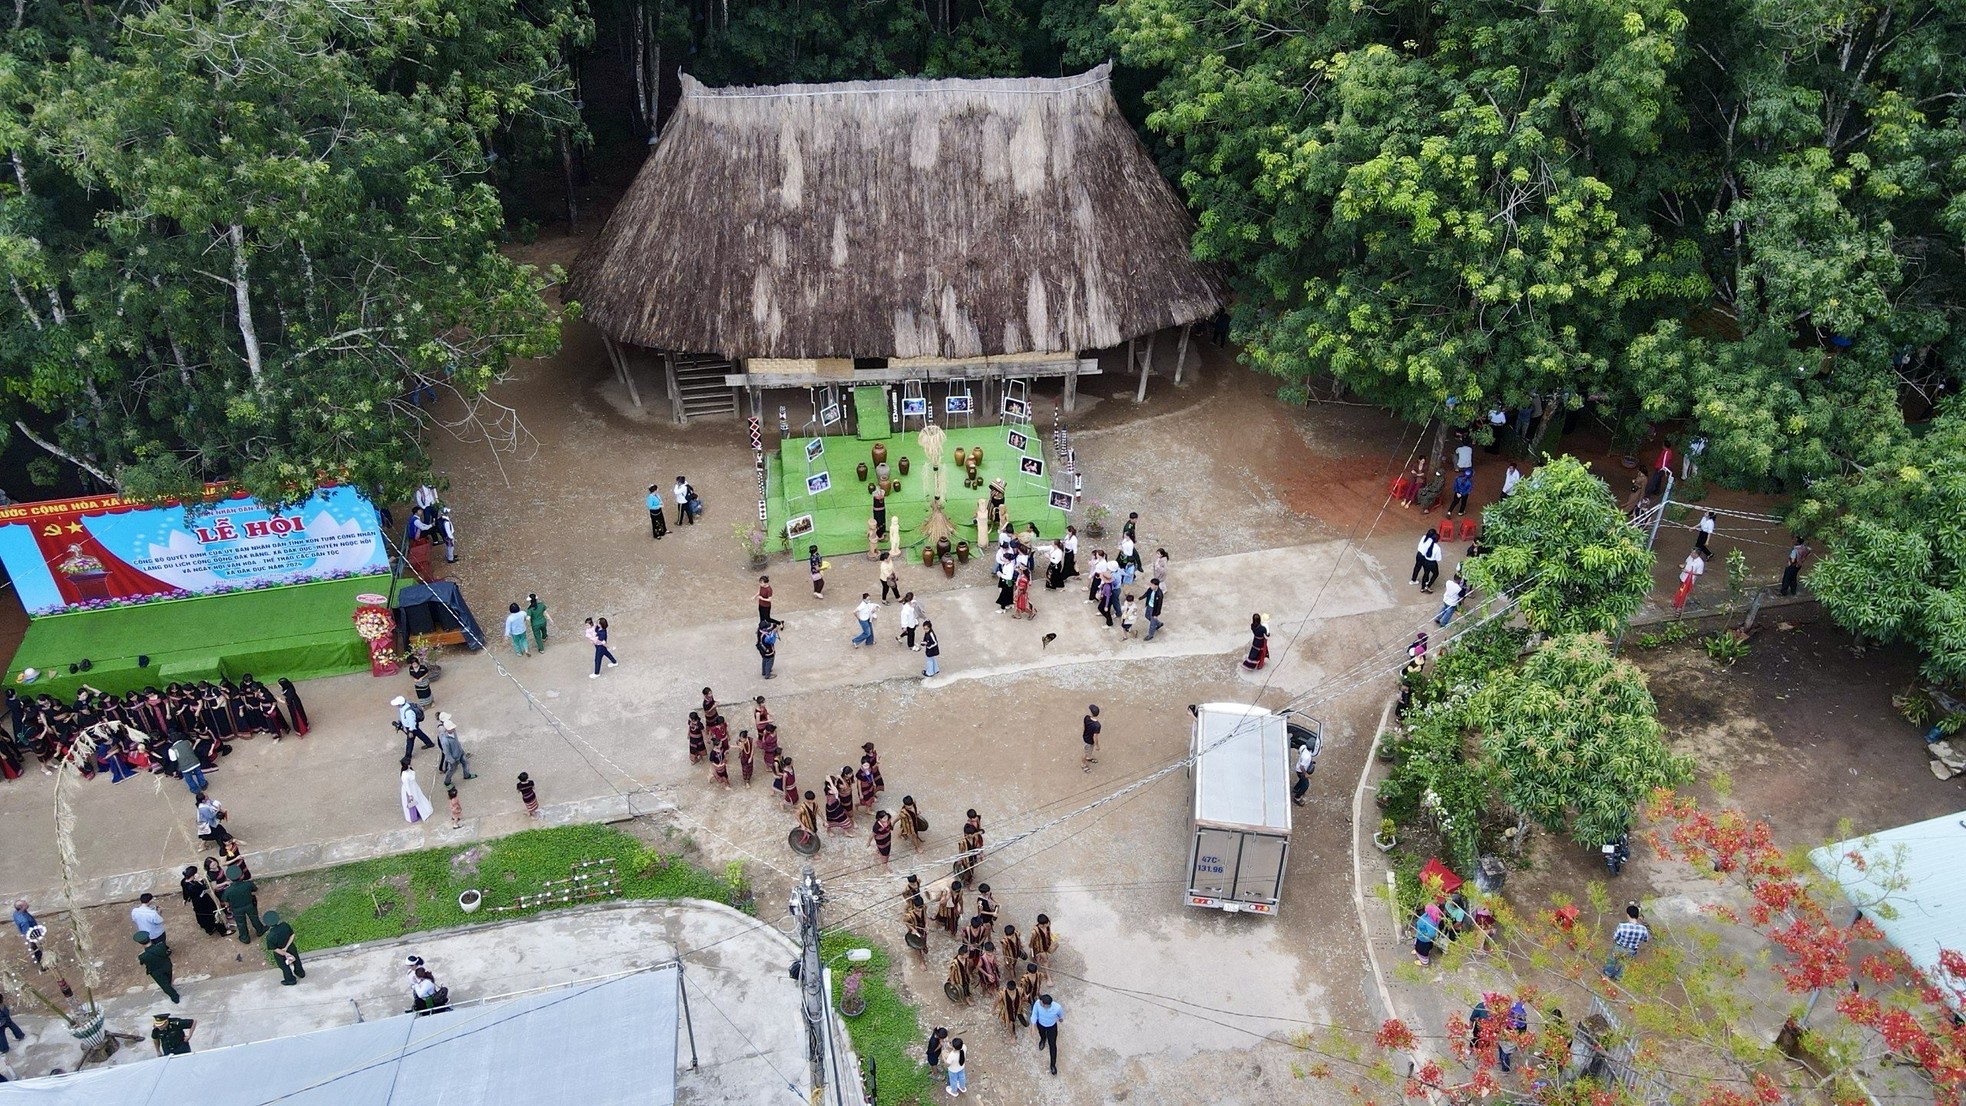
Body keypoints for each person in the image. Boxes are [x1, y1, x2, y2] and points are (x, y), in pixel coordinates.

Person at [180, 865, 228, 937]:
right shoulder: (193, 886)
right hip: (204, 901)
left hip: (197, 902)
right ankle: (222, 931)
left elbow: (185, 892)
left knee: (202, 915)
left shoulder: (184, 881)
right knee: (213, 913)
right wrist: (200, 880)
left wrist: (185, 899)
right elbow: (204, 887)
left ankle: (209, 929)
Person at [260, 910, 304, 985]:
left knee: (284, 967)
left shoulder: (270, 937)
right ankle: (300, 973)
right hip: (291, 947)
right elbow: (292, 935)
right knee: (296, 960)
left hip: (280, 953)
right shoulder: (285, 925)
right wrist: (287, 947)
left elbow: (275, 949)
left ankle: (290, 980)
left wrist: (285, 953)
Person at [136, 931, 179, 1002]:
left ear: (140, 943)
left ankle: (175, 997)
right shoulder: (161, 945)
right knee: (168, 978)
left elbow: (142, 963)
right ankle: (169, 985)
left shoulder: (142, 956)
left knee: (164, 985)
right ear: (149, 938)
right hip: (167, 965)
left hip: (156, 972)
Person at [436, 713, 476, 786]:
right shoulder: (445, 740)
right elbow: (446, 752)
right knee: (452, 770)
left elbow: (457, 741)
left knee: (466, 762)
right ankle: (447, 782)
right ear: (447, 729)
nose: (454, 729)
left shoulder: (453, 732)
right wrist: (451, 760)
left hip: (460, 752)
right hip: (454, 757)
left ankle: (467, 775)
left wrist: (461, 750)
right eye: (452, 728)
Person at [1031, 993, 1063, 1075]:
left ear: (1045, 1005)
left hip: (1051, 1027)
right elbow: (1034, 1014)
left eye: (1041, 1002)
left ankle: (1053, 1065)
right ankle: (1043, 1039)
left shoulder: (1057, 1007)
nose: (1039, 1002)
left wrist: (1060, 1019)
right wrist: (1033, 1026)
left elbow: (1060, 1015)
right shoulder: (1038, 1003)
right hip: (1041, 1024)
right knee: (1042, 1034)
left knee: (1052, 1044)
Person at [400, 759, 435, 824]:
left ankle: (420, 812)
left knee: (419, 799)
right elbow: (407, 786)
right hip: (410, 790)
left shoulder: (409, 770)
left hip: (414, 787)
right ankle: (414, 816)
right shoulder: (405, 775)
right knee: (413, 803)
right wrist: (410, 795)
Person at [1080, 705, 1101, 771]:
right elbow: (1095, 736)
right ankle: (1083, 764)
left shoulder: (1086, 718)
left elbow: (1084, 727)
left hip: (1086, 736)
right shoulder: (1097, 725)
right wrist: (1097, 745)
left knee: (1089, 750)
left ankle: (1089, 757)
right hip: (1089, 740)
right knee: (1086, 752)